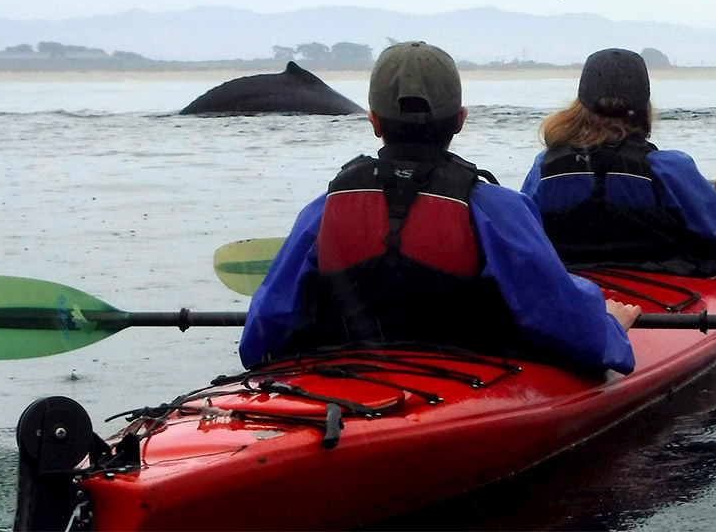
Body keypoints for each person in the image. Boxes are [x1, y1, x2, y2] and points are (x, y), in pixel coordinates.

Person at [239, 41, 639, 373]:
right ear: (461, 120)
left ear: (375, 121)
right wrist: (609, 328)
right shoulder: (497, 210)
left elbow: (258, 339)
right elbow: (570, 328)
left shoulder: (323, 210)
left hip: (338, 377)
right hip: (463, 376)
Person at [521, 48, 716, 274]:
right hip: (663, 289)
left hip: (573, 281)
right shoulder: (667, 167)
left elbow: (523, 233)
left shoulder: (545, 166)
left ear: (580, 105)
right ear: (644, 107)